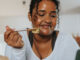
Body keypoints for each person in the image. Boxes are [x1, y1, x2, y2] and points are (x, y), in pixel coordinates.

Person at [4, 0, 79, 60]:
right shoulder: (16, 40)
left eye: (53, 15)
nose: (48, 20)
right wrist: (18, 50)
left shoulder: (67, 41)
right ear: (30, 16)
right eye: (41, 14)